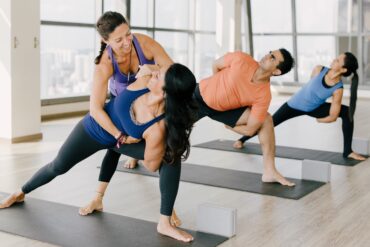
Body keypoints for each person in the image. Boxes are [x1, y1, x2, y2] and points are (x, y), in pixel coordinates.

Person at [0, 63, 198, 243]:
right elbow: (148, 68)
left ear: (166, 93)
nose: (155, 72)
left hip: (119, 142)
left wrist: (157, 148)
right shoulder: (145, 81)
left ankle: (164, 222)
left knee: (171, 157)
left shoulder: (157, 128)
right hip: (94, 129)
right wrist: (150, 69)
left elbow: (151, 165)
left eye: (159, 75)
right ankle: (20, 192)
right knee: (58, 166)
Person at [81, 11, 177, 221]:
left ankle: (169, 210)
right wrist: (118, 135)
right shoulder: (105, 64)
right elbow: (95, 109)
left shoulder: (143, 43)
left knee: (161, 145)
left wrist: (151, 68)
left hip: (150, 99)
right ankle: (98, 197)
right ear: (105, 41)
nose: (126, 41)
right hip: (123, 106)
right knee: (113, 147)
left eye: (128, 34)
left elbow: (172, 68)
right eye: (118, 39)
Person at [233, 52, 366, 161]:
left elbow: (333, 115)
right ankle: (242, 139)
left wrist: (320, 120)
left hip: (314, 108)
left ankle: (347, 151)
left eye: (337, 61)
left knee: (348, 112)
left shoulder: (338, 89)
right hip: (294, 105)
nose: (333, 60)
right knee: (270, 122)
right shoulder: (319, 69)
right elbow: (309, 89)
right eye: (336, 58)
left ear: (343, 69)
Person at [195, 49, 296, 186]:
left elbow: (250, 130)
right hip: (198, 96)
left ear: (276, 71)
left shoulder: (263, 95)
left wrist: (231, 125)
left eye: (272, 58)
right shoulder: (242, 59)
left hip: (223, 111)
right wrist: (217, 88)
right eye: (270, 52)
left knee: (266, 120)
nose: (267, 55)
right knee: (167, 130)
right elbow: (216, 65)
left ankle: (269, 171)